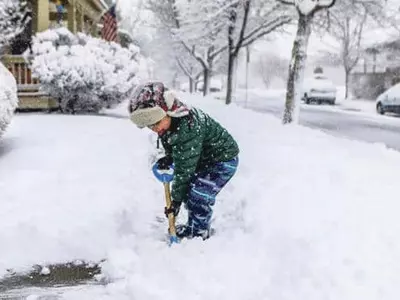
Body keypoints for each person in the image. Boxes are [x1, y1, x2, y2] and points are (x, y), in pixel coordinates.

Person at [129, 82, 239, 239]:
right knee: (191, 191)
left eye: (156, 123)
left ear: (168, 112)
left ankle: (199, 232)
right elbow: (178, 151)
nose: (155, 129)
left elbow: (184, 172)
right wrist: (170, 157)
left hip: (223, 160)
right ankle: (194, 226)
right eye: (149, 126)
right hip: (203, 158)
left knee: (198, 194)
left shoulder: (188, 127)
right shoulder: (169, 125)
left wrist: (175, 202)